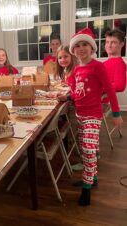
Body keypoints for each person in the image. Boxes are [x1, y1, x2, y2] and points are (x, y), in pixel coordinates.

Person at [58, 28, 123, 206]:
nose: (81, 48)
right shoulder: (78, 69)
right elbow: (79, 92)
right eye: (77, 45)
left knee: (87, 150)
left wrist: (116, 114)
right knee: (88, 147)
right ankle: (92, 178)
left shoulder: (98, 66)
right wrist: (68, 96)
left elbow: (109, 89)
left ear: (92, 48)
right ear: (73, 51)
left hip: (93, 114)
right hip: (80, 113)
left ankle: (86, 187)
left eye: (85, 44)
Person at [103, 29, 126, 100]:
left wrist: (98, 87)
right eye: (107, 42)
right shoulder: (107, 62)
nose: (109, 45)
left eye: (113, 42)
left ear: (122, 44)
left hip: (102, 104)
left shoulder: (118, 63)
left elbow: (120, 85)